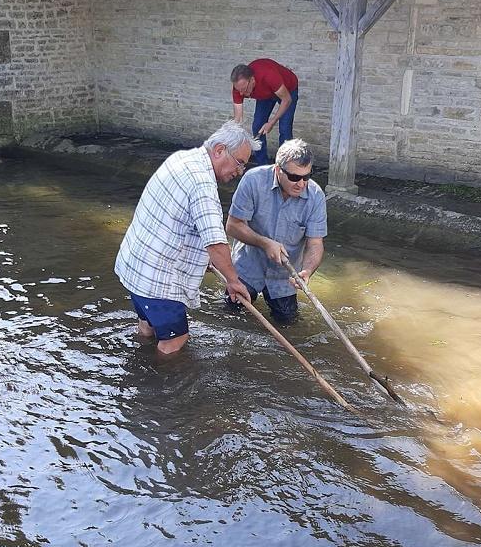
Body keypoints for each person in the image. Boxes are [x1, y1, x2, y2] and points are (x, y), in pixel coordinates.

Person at [115, 120, 258, 354]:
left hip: (135, 267)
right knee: (175, 340)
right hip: (157, 281)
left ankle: (139, 364)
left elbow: (179, 220)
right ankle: (159, 387)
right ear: (220, 150)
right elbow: (216, 241)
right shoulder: (203, 184)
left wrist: (207, 259)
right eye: (239, 163)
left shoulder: (183, 158)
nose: (240, 172)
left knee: (148, 327)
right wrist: (233, 281)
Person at [224, 139, 327, 324]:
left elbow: (315, 243)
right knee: (232, 319)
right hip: (248, 266)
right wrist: (264, 243)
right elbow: (233, 226)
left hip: (283, 277)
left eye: (306, 177)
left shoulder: (316, 196)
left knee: (288, 323)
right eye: (295, 177)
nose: (301, 184)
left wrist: (307, 271)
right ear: (278, 170)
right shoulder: (253, 180)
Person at [230, 59, 299, 166]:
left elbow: (287, 100)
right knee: (258, 126)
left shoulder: (268, 75)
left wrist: (271, 122)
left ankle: (284, 166)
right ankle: (262, 165)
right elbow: (238, 119)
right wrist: (237, 139)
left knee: (285, 128)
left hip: (288, 90)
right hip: (265, 94)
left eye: (244, 89)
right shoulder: (239, 88)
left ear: (252, 80)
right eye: (238, 90)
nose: (241, 93)